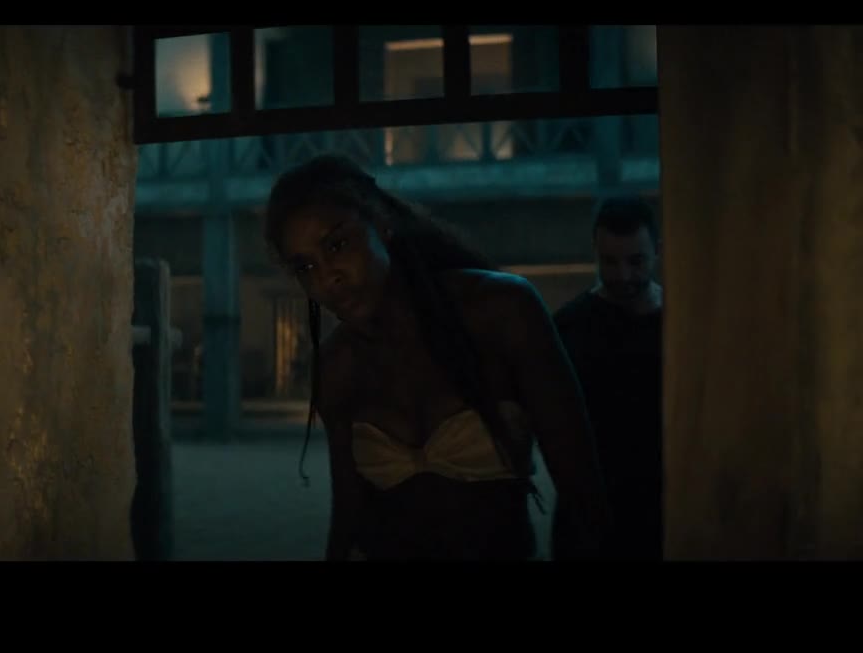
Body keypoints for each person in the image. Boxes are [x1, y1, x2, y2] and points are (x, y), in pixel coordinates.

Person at [265, 154, 609, 561]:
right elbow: (348, 516)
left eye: (337, 245)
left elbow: (582, 491)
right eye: (305, 267)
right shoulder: (338, 367)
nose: (326, 277)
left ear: (381, 222)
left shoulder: (501, 311)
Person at [553, 195, 663, 561]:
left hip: (662, 504)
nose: (623, 275)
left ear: (657, 251)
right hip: (591, 511)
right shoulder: (568, 327)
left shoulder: (682, 323)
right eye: (610, 262)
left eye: (635, 261)